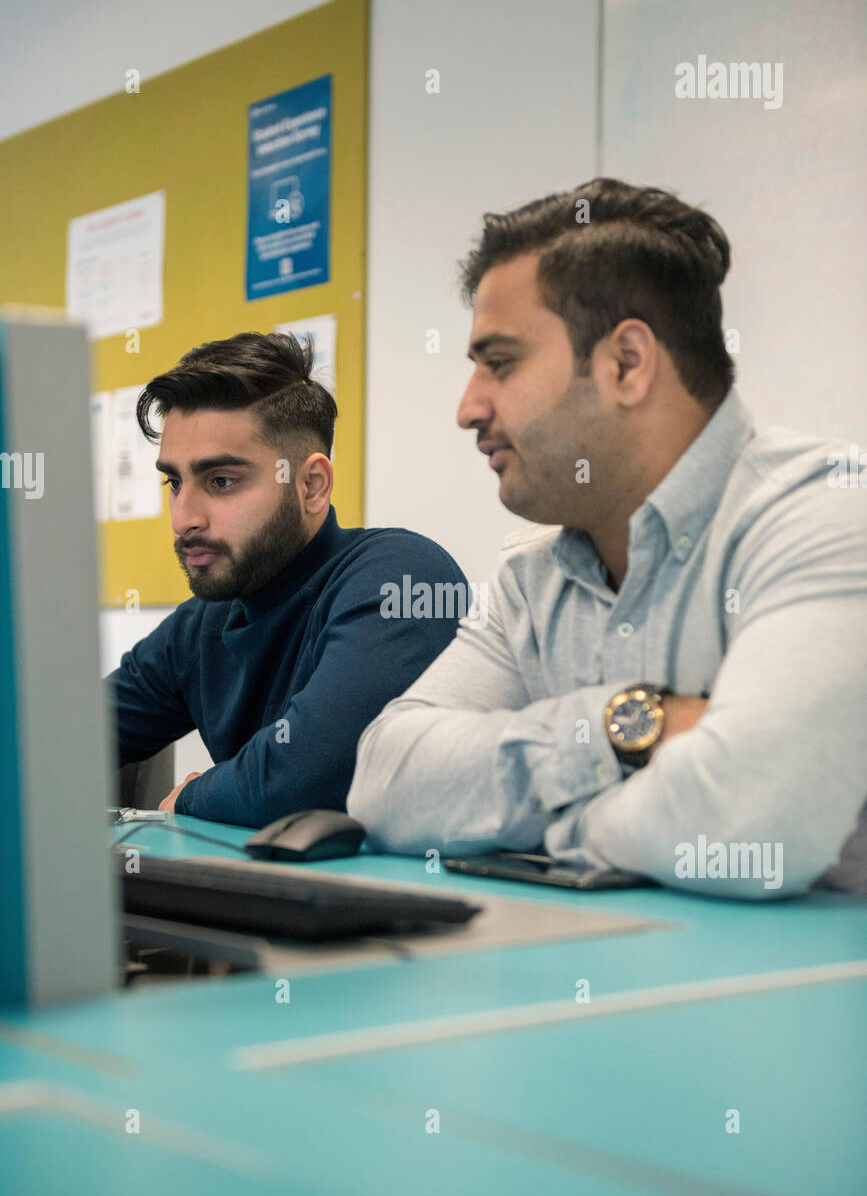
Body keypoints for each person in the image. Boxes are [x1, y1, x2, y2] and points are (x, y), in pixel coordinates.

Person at [347, 179, 867, 899]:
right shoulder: (531, 577)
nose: (468, 408)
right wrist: (631, 726)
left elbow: (751, 823)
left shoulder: (829, 513)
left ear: (625, 362)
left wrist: (565, 832)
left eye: (499, 364)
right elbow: (385, 781)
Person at [107, 330, 469, 828]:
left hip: (415, 903)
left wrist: (193, 796)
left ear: (311, 484)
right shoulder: (202, 625)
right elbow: (66, 740)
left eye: (221, 482)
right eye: (175, 482)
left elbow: (305, 778)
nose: (183, 518)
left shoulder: (402, 578)